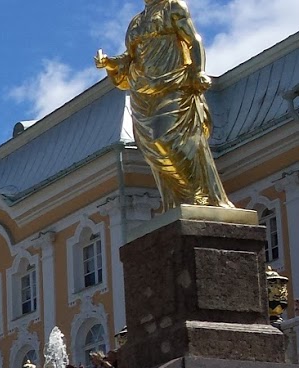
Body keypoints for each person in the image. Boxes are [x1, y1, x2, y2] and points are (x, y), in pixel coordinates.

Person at [95, 0, 233, 211]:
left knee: (166, 139)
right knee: (153, 152)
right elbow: (130, 59)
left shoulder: (173, 6)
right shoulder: (137, 21)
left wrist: (198, 71)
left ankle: (199, 196)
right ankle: (181, 201)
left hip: (174, 84)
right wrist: (108, 63)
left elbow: (193, 40)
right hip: (143, 94)